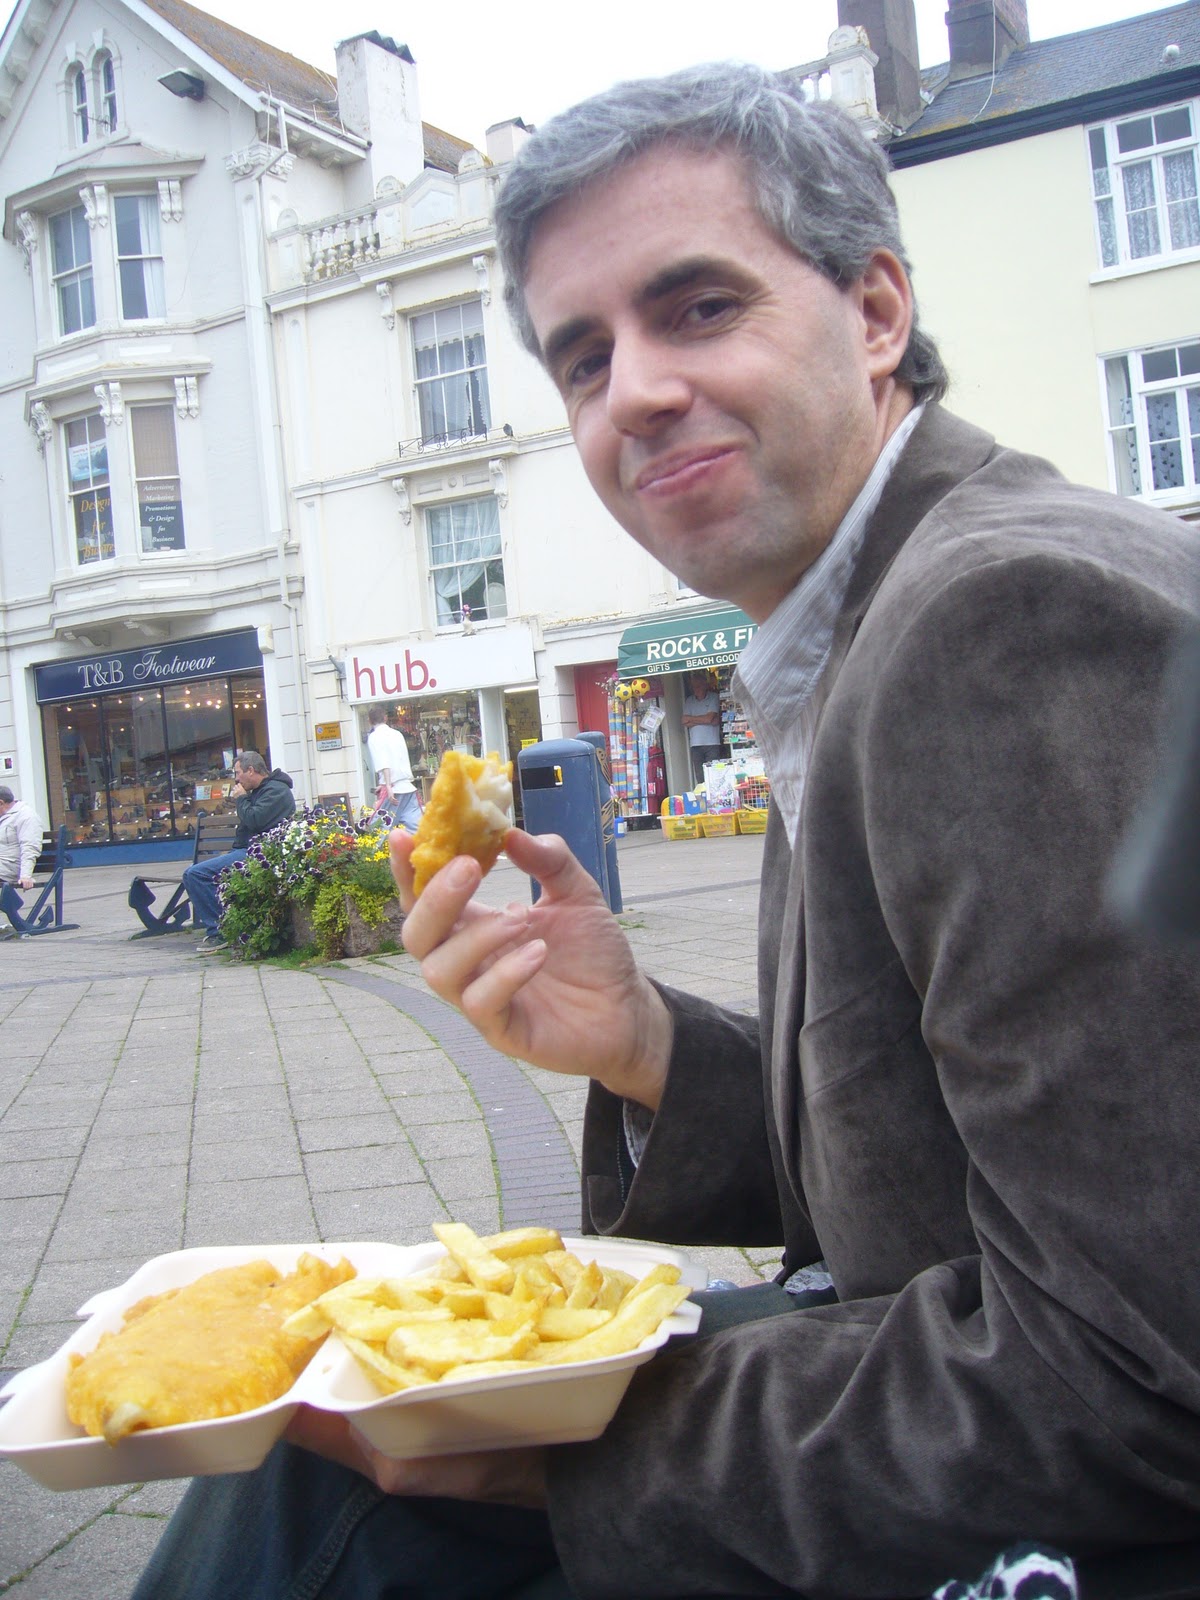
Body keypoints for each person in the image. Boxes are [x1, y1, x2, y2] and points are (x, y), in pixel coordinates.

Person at [133, 63, 1200, 1599]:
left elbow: (1142, 1363)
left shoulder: (1003, 621)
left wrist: (574, 1446)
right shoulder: (861, 616)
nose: (630, 389)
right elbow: (948, 1167)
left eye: (697, 308)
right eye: (582, 359)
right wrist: (640, 1041)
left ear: (877, 312)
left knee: (319, 1514)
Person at [183, 751, 295, 954]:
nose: (236, 778)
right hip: (247, 850)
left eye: (238, 772)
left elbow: (254, 819)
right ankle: (225, 925)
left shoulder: (277, 791)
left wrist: (242, 799)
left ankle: (219, 933)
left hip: (259, 854)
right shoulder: (260, 790)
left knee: (195, 874)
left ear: (251, 770)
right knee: (196, 873)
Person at [366, 706, 422, 831]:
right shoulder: (397, 734)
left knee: (378, 829)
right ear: (385, 718)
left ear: (369, 721)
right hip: (407, 786)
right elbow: (400, 759)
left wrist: (388, 786)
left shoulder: (374, 737)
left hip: (394, 788)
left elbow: (384, 763)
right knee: (416, 827)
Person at [680, 670, 721, 785]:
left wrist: (692, 719)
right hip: (695, 745)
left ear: (705, 685)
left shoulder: (713, 697)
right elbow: (684, 721)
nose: (696, 689)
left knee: (714, 774)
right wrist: (706, 719)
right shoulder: (689, 701)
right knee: (700, 777)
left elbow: (710, 718)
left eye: (698, 686)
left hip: (712, 743)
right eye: (694, 686)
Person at [0, 786, 43, 890]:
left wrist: (25, 875)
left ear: (1, 803)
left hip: (10, 867)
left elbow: (30, 847)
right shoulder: (4, 816)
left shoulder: (26, 816)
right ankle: (7, 904)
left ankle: (7, 904)